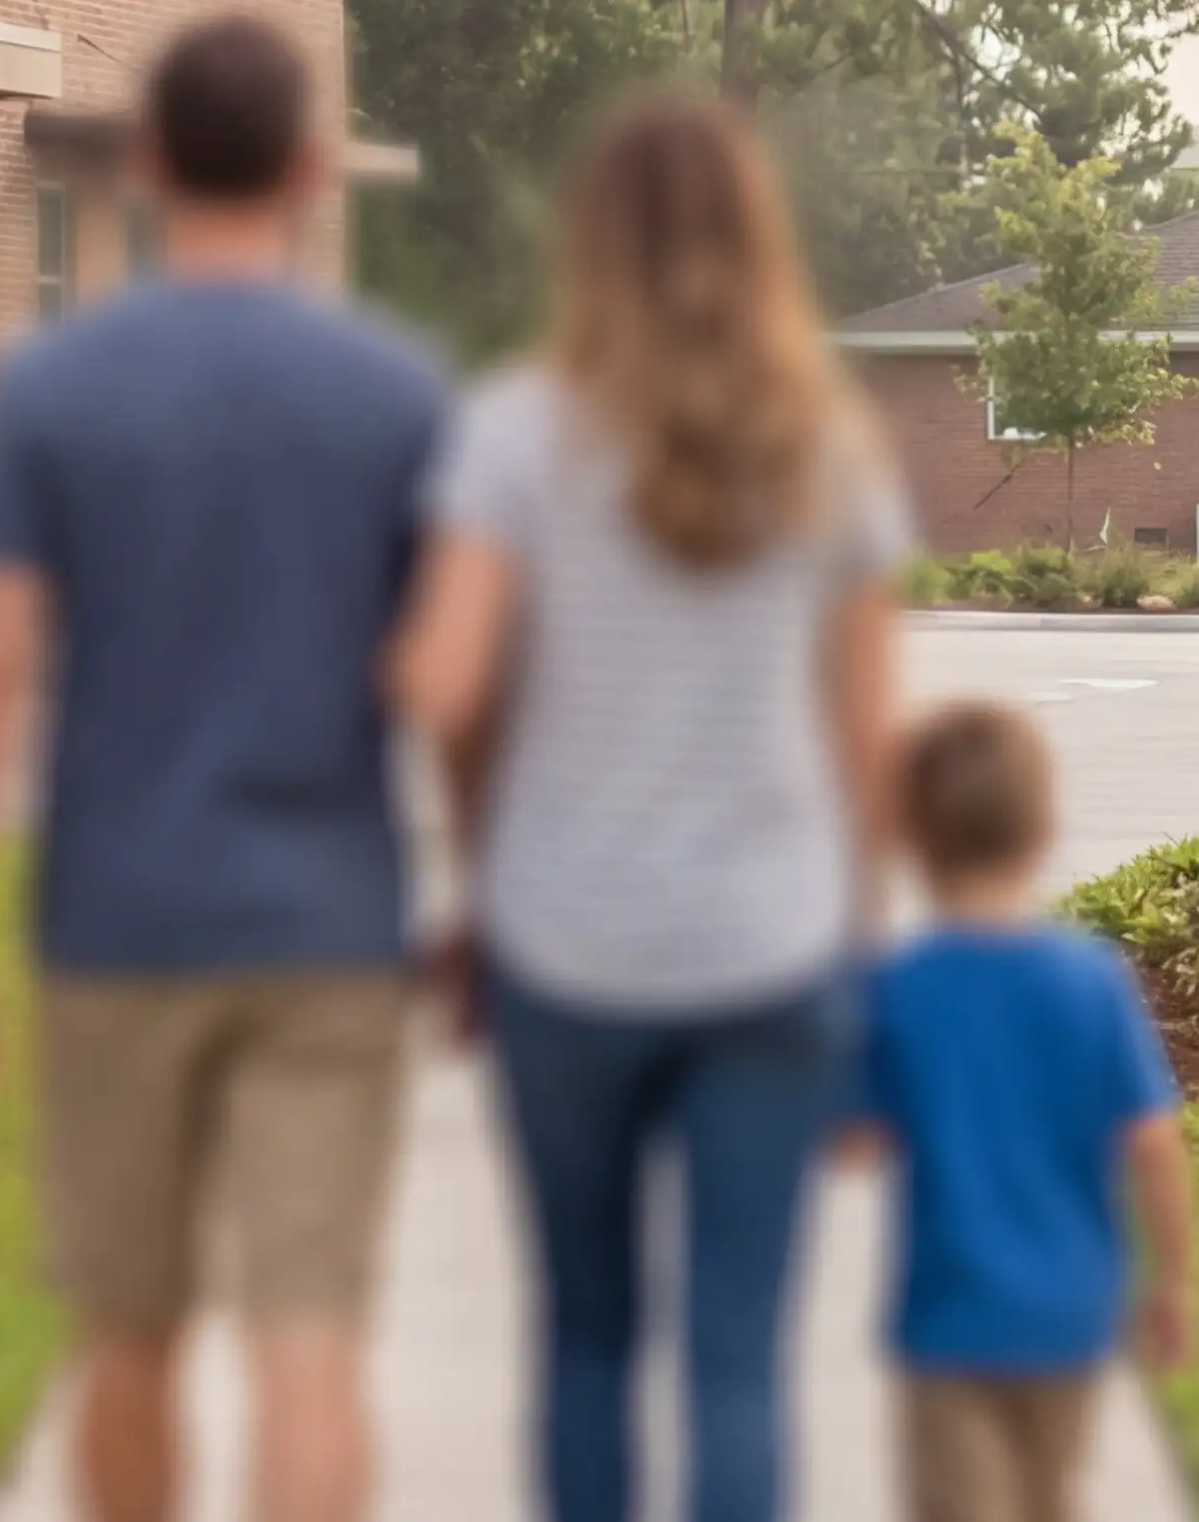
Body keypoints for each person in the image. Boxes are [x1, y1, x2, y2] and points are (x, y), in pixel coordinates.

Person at [0, 13, 447, 1522]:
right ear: (313, 172)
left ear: (146, 166)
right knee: (310, 1345)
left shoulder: (53, 392)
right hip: (332, 930)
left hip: (118, 928)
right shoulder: (395, 398)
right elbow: (449, 678)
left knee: (127, 1337)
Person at [382, 90, 907, 1522]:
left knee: (587, 1338)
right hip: (772, 954)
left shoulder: (513, 437)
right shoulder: (832, 447)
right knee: (738, 1364)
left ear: (592, 246)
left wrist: (478, 875)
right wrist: (860, 961)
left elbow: (440, 685)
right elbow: (869, 754)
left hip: (569, 951)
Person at [840, 700, 1199, 1522]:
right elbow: (1152, 1144)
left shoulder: (902, 990)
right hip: (1070, 1316)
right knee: (1049, 1498)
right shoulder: (1092, 981)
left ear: (915, 841)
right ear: (1043, 831)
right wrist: (1172, 1282)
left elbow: (855, 1144)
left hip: (951, 1319)